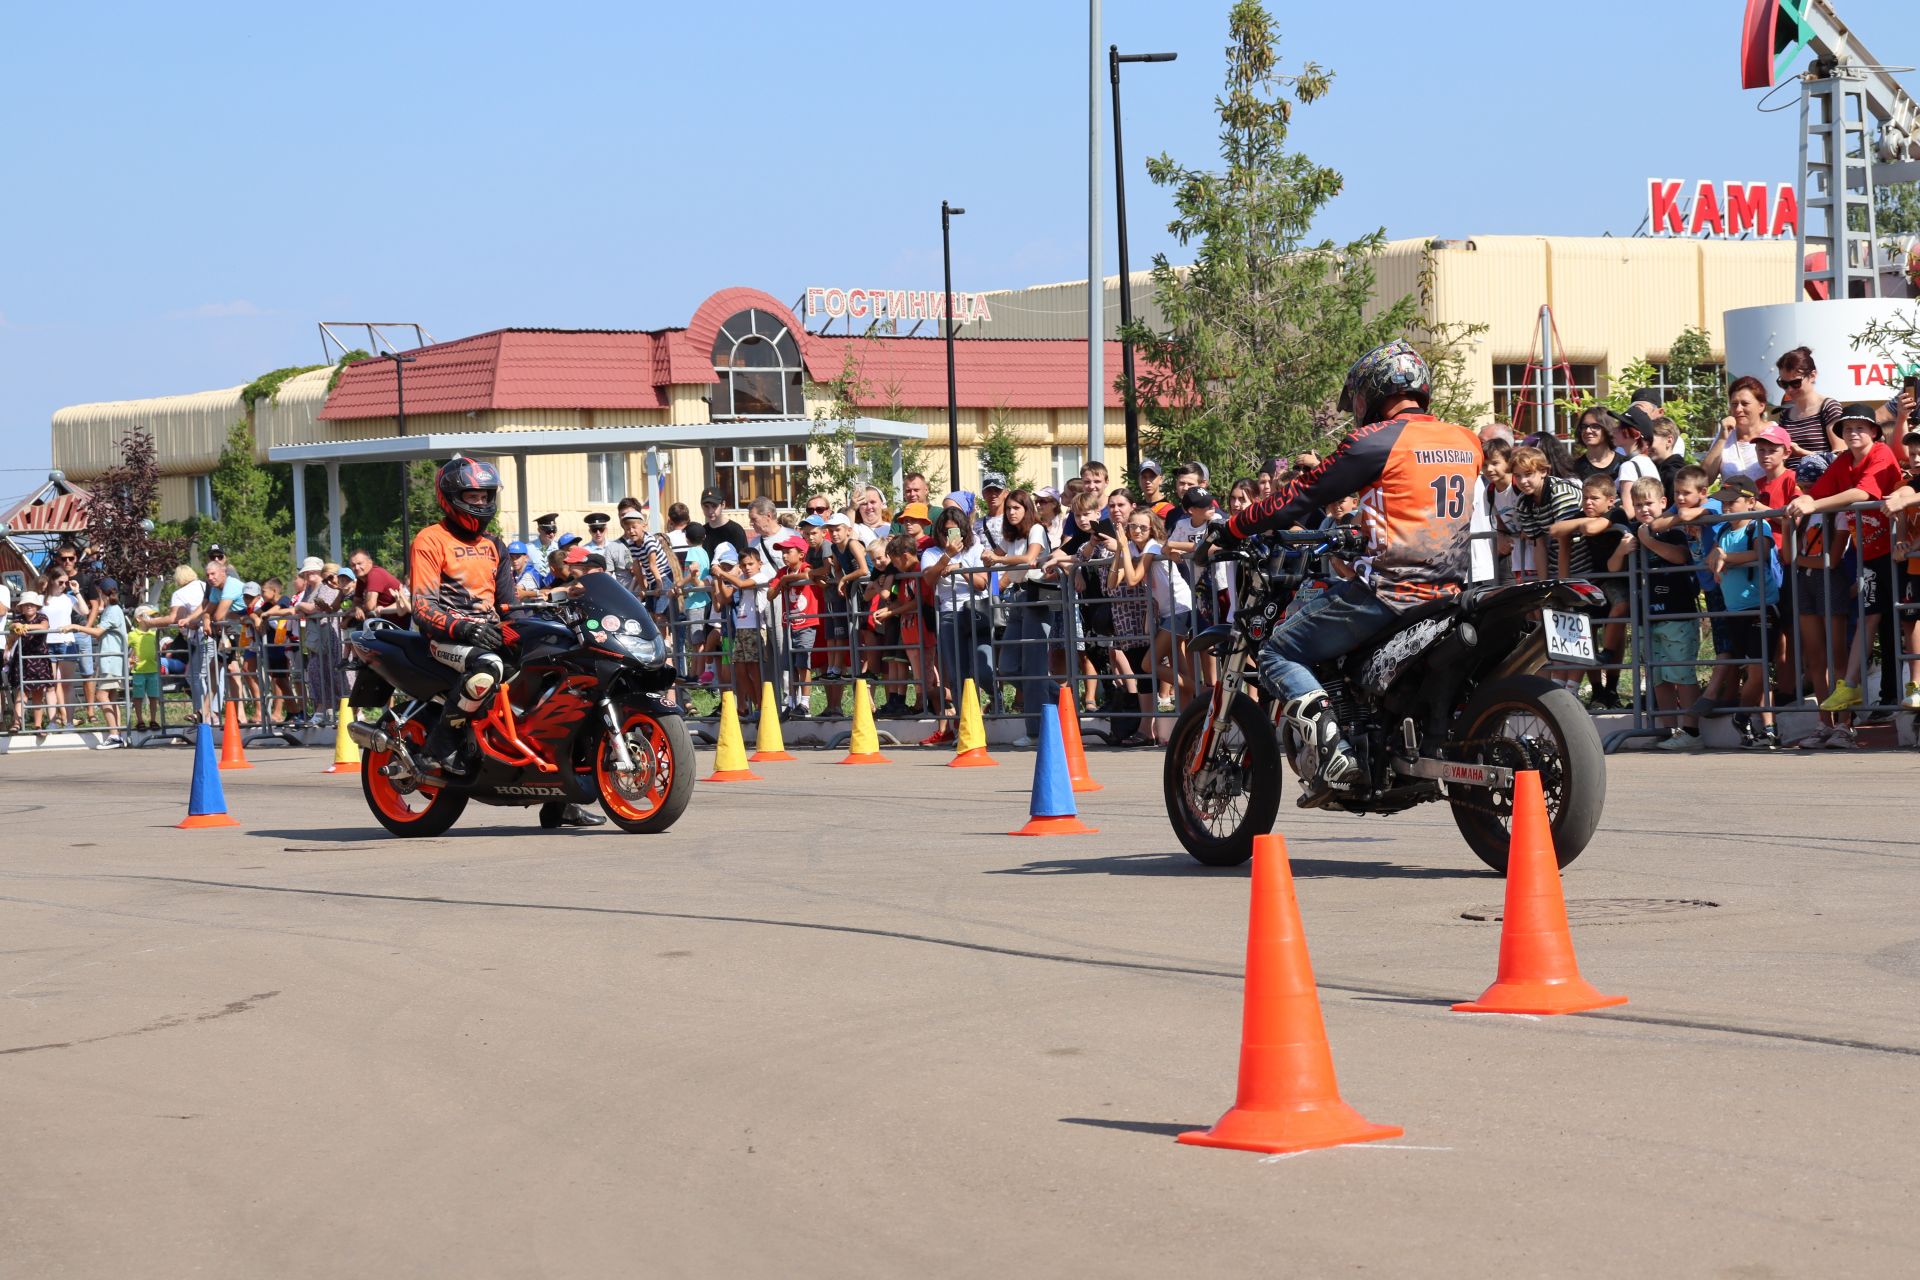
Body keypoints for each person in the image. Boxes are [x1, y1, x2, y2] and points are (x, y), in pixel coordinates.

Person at [1207, 340, 1482, 793]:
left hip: (1390, 592)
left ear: (1373, 390)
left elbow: (1301, 496)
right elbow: (1417, 504)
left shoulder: (1375, 440)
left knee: (1278, 650)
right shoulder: (1465, 440)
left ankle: (1334, 754)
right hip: (1448, 592)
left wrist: (1233, 527)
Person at [411, 457, 601, 827]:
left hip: (490, 630)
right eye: (472, 495)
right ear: (451, 496)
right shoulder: (430, 539)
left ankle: (560, 796)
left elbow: (506, 603)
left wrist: (549, 607)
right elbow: (422, 605)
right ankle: (439, 747)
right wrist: (462, 628)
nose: (480, 503)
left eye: (485, 496)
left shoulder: (494, 544)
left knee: (564, 675)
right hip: (446, 636)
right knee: (488, 668)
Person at [1787, 403, 1905, 728]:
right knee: (1870, 620)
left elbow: (1861, 493)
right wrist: (1805, 500)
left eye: (1860, 428)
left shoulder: (1881, 453)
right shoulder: (1841, 461)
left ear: (1875, 432)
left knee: (1907, 622)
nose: (1853, 433)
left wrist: (1812, 503)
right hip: (1871, 554)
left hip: (1901, 550)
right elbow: (1821, 491)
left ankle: (1908, 686)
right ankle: (1850, 687)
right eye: (1847, 428)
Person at [1702, 476, 1781, 749]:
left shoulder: (1760, 525)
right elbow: (1711, 558)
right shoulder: (1723, 531)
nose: (1725, 508)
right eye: (1722, 502)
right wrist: (1716, 560)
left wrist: (1725, 559)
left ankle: (1743, 715)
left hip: (1760, 607)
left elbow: (1760, 554)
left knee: (1759, 668)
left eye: (1731, 502)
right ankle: (1767, 727)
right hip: (1734, 610)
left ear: (1750, 502)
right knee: (1753, 669)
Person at [1629, 476, 1705, 752]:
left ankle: (1691, 730)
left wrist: (1647, 540)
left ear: (1663, 502)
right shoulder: (1635, 532)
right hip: (1647, 615)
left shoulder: (1670, 529)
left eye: (1648, 503)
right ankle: (1667, 729)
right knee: (1657, 675)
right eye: (1638, 505)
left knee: (1681, 674)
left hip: (1677, 614)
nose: (1644, 509)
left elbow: (1680, 556)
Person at [981, 488, 1054, 748]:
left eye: (1016, 508)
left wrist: (997, 559)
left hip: (1036, 598)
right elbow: (996, 556)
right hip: (1018, 597)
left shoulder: (1035, 529)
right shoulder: (1009, 534)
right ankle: (1061, 697)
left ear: (1026, 510)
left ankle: (1035, 732)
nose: (1011, 512)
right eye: (1009, 508)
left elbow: (1029, 559)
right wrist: (989, 558)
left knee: (1034, 667)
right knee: (1008, 665)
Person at [920, 506, 992, 748]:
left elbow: (982, 583)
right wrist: (947, 557)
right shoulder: (931, 552)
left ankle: (996, 700)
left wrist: (961, 570)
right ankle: (965, 726)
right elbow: (929, 581)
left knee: (982, 667)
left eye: (955, 531)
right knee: (956, 672)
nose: (950, 537)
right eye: (945, 532)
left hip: (975, 612)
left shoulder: (975, 548)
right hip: (949, 613)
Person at [1774, 346, 1843, 483]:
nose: (1789, 389)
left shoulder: (1828, 407)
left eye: (1795, 383)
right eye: (1783, 383)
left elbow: (1841, 455)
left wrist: (1802, 453)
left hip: (1821, 485)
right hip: (1791, 487)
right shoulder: (1785, 414)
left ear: (1812, 375)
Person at [1704, 376, 1771, 483]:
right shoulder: (1725, 435)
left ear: (1761, 406)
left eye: (1745, 404)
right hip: (1730, 499)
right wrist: (1722, 439)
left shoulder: (1775, 434)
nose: (1738, 409)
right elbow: (1705, 479)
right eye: (1734, 404)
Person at [1611, 404, 1663, 507]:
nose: (1614, 430)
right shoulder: (1646, 461)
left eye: (1621, 427)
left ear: (1636, 435)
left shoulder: (1629, 466)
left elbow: (1628, 511)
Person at [349, 549, 410, 624]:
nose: (357, 568)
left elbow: (370, 606)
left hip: (401, 624)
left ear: (370, 562)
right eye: (353, 565)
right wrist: (357, 608)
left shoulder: (375, 574)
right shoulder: (361, 579)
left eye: (360, 563)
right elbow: (356, 602)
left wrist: (361, 607)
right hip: (386, 624)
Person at [1571, 409, 1621, 486]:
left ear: (1607, 428)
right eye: (1584, 426)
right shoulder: (1573, 467)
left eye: (1595, 426)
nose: (1588, 431)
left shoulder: (1624, 464)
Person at [700, 488, 749, 564]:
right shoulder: (701, 531)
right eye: (706, 506)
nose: (710, 511)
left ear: (723, 505)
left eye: (714, 506)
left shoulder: (735, 531)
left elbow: (744, 560)